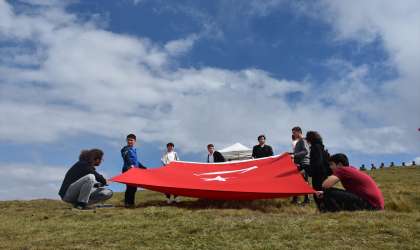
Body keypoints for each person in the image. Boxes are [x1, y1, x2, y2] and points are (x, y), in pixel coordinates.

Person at [315, 153, 384, 212]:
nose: (330, 167)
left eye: (331, 164)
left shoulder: (343, 170)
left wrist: (326, 193)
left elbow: (325, 185)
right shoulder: (350, 170)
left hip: (371, 205)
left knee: (328, 192)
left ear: (339, 165)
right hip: (374, 206)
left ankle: (334, 213)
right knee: (327, 193)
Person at [299, 131, 329, 210]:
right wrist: (302, 166)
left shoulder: (316, 147)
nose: (306, 141)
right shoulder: (317, 147)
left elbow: (317, 163)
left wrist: (305, 171)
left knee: (319, 194)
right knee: (319, 194)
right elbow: (315, 163)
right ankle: (323, 210)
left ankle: (324, 210)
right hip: (319, 175)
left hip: (320, 175)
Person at [121, 134, 147, 207]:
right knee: (130, 187)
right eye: (128, 140)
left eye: (131, 140)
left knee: (134, 188)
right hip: (128, 169)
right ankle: (128, 204)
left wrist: (144, 168)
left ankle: (131, 204)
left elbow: (136, 162)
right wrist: (130, 165)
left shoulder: (133, 150)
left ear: (135, 141)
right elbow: (127, 158)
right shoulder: (126, 149)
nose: (130, 141)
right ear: (126, 140)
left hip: (134, 171)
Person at [289, 127, 311, 206]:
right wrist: (289, 154)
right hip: (298, 164)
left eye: (294, 133)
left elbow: (306, 151)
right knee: (296, 181)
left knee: (305, 181)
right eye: (293, 133)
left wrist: (294, 155)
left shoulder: (304, 140)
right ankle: (295, 199)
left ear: (299, 132)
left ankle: (307, 199)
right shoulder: (298, 142)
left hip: (304, 163)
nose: (293, 134)